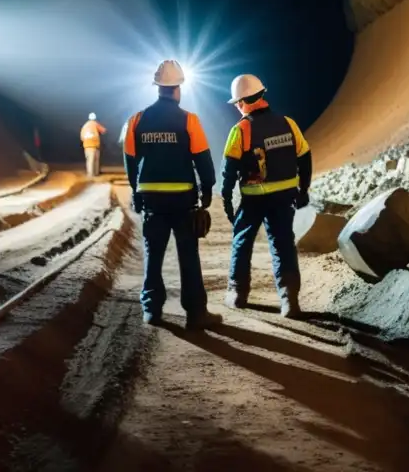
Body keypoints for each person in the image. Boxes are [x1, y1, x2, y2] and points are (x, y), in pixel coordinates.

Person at [122, 59, 222, 329]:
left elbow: (130, 160)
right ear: (178, 88)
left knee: (153, 256)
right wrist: (207, 191)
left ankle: (152, 311)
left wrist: (136, 190)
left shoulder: (137, 120)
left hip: (152, 202)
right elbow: (203, 159)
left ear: (157, 88)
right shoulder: (189, 120)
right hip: (183, 202)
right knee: (189, 256)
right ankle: (196, 315)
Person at [221, 74, 312, 318]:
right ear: (262, 95)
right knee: (283, 245)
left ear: (241, 102)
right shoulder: (288, 123)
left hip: (253, 199)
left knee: (242, 242)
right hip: (284, 198)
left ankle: (237, 294)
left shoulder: (241, 129)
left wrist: (227, 200)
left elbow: (228, 170)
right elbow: (304, 157)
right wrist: (304, 190)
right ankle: (289, 301)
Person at [80, 112, 107, 177]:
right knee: (95, 160)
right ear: (95, 118)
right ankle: (95, 174)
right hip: (94, 145)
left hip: (87, 146)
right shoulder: (95, 124)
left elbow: (82, 137)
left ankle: (90, 174)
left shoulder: (85, 125)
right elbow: (103, 130)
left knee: (89, 160)